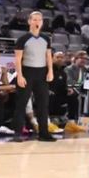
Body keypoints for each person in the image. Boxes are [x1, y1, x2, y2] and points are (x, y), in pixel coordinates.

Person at [11, 11, 56, 142]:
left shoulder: (46, 39)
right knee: (21, 103)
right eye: (35, 19)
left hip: (41, 73)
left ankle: (44, 133)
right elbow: (18, 59)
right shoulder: (23, 39)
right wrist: (19, 76)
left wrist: (50, 71)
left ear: (42, 22)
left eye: (39, 20)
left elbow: (48, 56)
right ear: (29, 21)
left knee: (43, 104)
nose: (37, 22)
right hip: (27, 72)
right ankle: (18, 132)